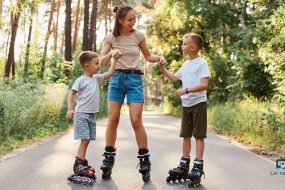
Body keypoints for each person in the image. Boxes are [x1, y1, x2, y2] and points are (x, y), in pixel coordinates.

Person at [98, 5, 166, 182]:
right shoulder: (111, 37)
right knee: (113, 119)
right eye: (130, 19)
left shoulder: (139, 35)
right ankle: (108, 157)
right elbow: (99, 62)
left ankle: (144, 160)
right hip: (116, 79)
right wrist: (112, 53)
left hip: (135, 80)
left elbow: (148, 56)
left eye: (135, 19)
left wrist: (160, 58)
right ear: (120, 20)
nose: (133, 22)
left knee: (136, 120)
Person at [161, 33, 210, 187]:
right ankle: (184, 164)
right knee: (186, 136)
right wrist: (163, 68)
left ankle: (198, 165)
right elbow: (175, 78)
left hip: (199, 104)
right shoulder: (185, 64)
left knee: (199, 136)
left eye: (184, 44)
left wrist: (186, 90)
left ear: (193, 47)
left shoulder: (202, 63)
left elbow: (204, 85)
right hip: (186, 105)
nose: (182, 46)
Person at [65, 50, 117, 185]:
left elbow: (110, 73)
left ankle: (81, 162)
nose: (99, 66)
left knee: (87, 140)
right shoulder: (80, 80)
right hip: (81, 113)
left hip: (91, 115)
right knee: (85, 139)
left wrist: (114, 58)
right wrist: (70, 109)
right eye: (96, 63)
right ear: (87, 66)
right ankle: (79, 163)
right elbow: (70, 94)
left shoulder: (96, 78)